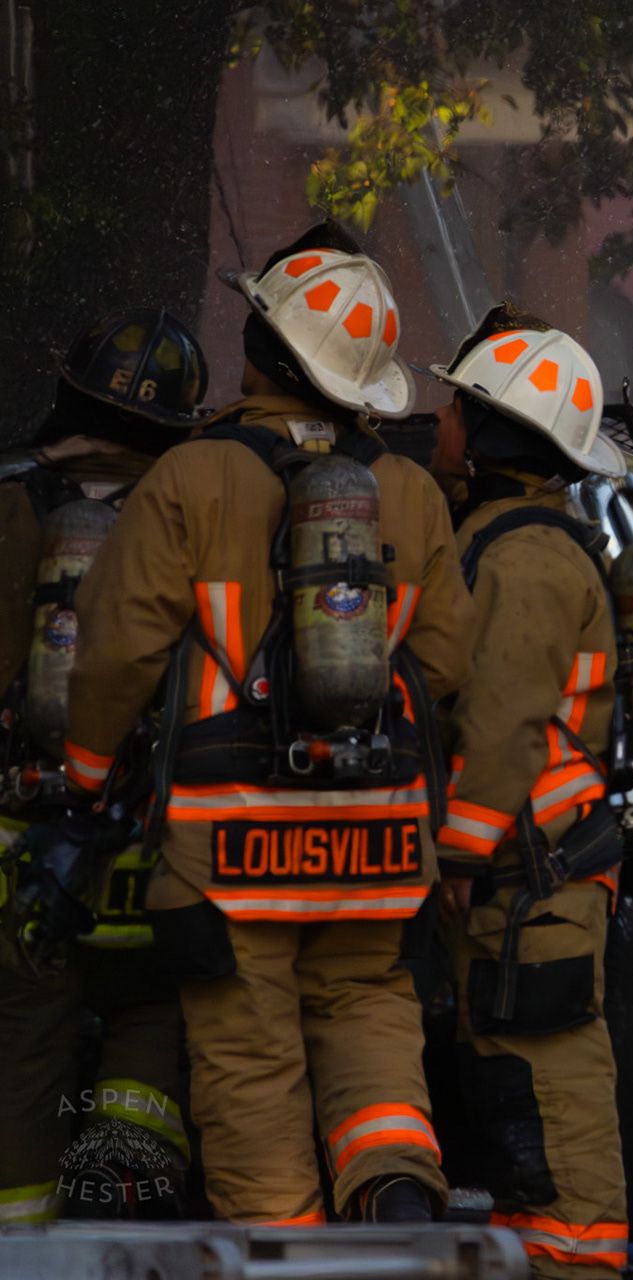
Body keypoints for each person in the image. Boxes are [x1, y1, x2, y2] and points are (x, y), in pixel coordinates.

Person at [61, 222, 473, 1225]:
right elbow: (450, 659)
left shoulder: (192, 478)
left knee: (250, 1060)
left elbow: (116, 648)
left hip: (228, 846)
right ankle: (396, 1189)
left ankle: (285, 1242)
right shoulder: (411, 493)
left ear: (262, 350)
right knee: (372, 1017)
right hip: (377, 840)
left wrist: (82, 774)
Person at [427, 304, 630, 1277]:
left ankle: (577, 1263)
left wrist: (459, 852)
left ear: (499, 429)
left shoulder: (525, 558)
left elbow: (504, 723)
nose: (441, 426)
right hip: (529, 876)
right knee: (517, 1086)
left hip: (529, 879)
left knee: (551, 1080)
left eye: (459, 409)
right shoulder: (512, 540)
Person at [0, 309, 209, 1223]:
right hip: (147, 849)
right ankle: (120, 1212)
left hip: (22, 848)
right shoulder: (194, 512)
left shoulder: (9, 500)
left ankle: (19, 1228)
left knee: (25, 1036)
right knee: (151, 1020)